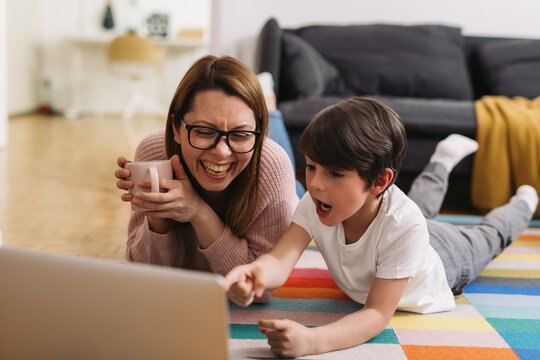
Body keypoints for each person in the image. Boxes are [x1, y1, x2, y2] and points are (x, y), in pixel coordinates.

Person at [224, 97, 538, 358]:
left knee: (489, 234)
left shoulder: (403, 225)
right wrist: (256, 274)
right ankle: (442, 160)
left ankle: (524, 201)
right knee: (421, 210)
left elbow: (376, 314)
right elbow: (281, 259)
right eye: (311, 167)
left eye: (334, 173)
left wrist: (311, 340)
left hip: (446, 259)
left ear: (379, 181)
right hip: (400, 227)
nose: (316, 184)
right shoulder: (318, 200)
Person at [114, 55, 298, 301]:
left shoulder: (273, 166)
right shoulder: (155, 153)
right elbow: (143, 278)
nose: (222, 151)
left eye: (241, 134)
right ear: (177, 128)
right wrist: (159, 218)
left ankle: (270, 108)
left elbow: (261, 291)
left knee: (303, 191)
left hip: (273, 173)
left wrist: (198, 211)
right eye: (203, 131)